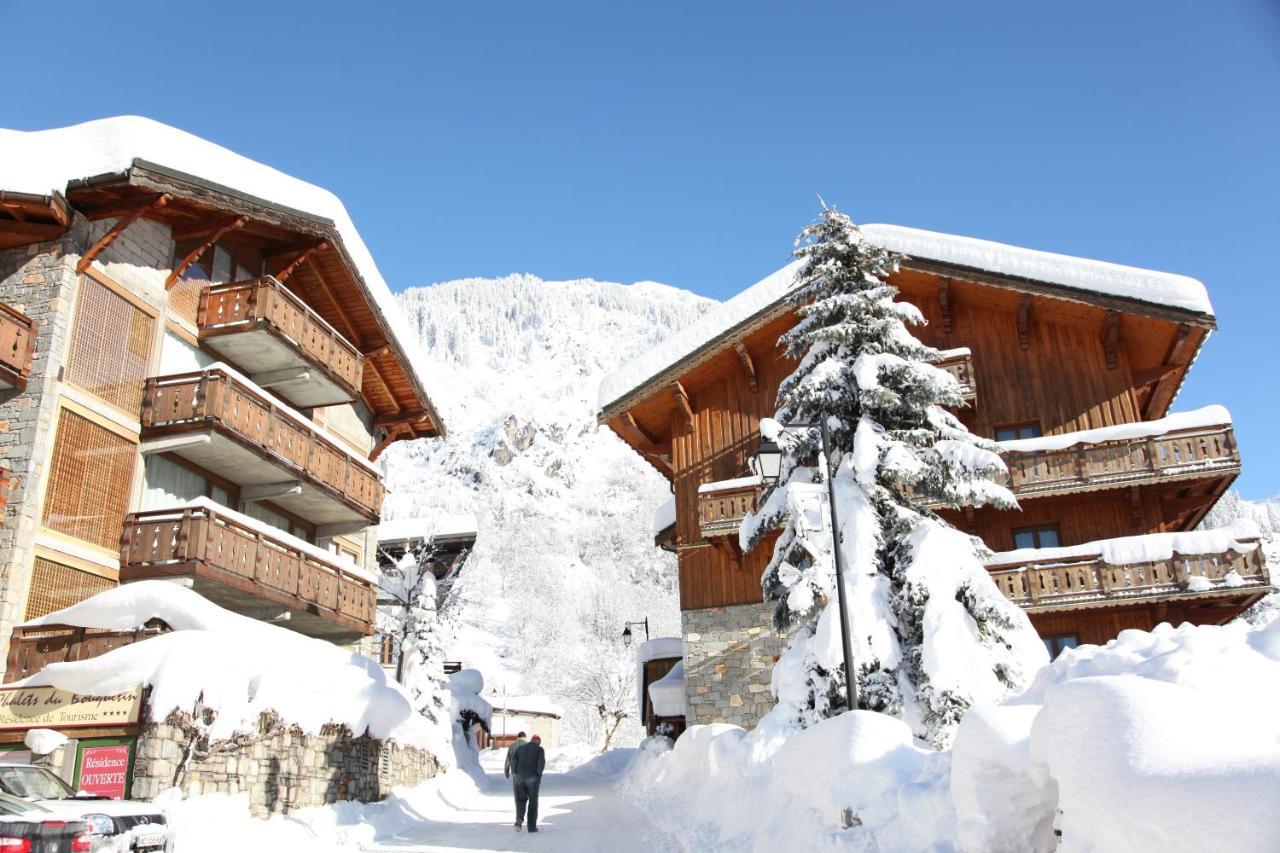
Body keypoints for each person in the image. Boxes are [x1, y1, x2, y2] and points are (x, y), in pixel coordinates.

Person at [511, 733, 546, 833]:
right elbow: (541, 763)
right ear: (538, 742)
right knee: (533, 803)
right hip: (532, 780)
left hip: (520, 779)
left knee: (521, 800)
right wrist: (538, 774)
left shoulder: (520, 748)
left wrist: (514, 773)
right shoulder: (539, 750)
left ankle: (519, 820)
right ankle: (531, 827)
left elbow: (513, 761)